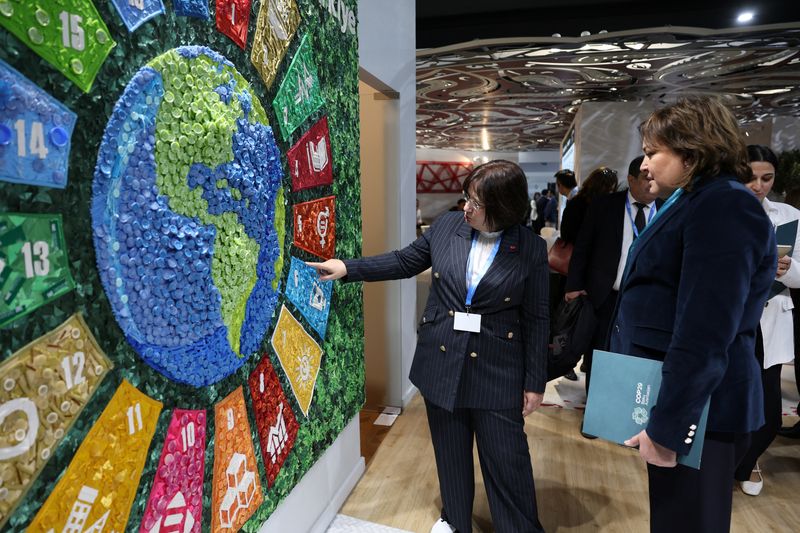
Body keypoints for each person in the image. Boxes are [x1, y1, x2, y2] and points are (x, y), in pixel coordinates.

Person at [308, 160, 549, 533]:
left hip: (498, 370)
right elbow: (405, 261)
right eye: (466, 197)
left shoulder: (530, 248)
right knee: (450, 453)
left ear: (503, 208)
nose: (465, 207)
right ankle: (455, 519)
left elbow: (537, 317)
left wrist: (535, 381)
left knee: (507, 459)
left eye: (476, 203)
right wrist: (349, 268)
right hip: (442, 359)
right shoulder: (448, 226)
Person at [610, 96, 776, 532]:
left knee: (689, 522)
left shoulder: (722, 204)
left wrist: (669, 427)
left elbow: (705, 329)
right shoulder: (695, 199)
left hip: (704, 408)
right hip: (687, 401)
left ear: (692, 150)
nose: (645, 166)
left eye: (652, 153)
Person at [734, 144, 800, 495]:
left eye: (766, 178)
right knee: (730, 399)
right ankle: (722, 466)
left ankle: (747, 463)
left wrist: (787, 270)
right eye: (750, 177)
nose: (758, 185)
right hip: (731, 319)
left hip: (771, 318)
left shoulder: (788, 215)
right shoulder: (723, 211)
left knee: (770, 413)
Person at [565, 157, 659, 393]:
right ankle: (595, 411)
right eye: (646, 179)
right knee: (600, 351)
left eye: (656, 179)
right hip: (606, 294)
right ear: (631, 180)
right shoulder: (605, 206)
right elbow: (583, 247)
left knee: (637, 354)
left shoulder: (668, 209)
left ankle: (629, 411)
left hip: (647, 299)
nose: (652, 185)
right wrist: (573, 285)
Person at [558, 167, 618, 245]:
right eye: (610, 190)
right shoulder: (583, 205)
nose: (611, 193)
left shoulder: (577, 202)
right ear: (600, 188)